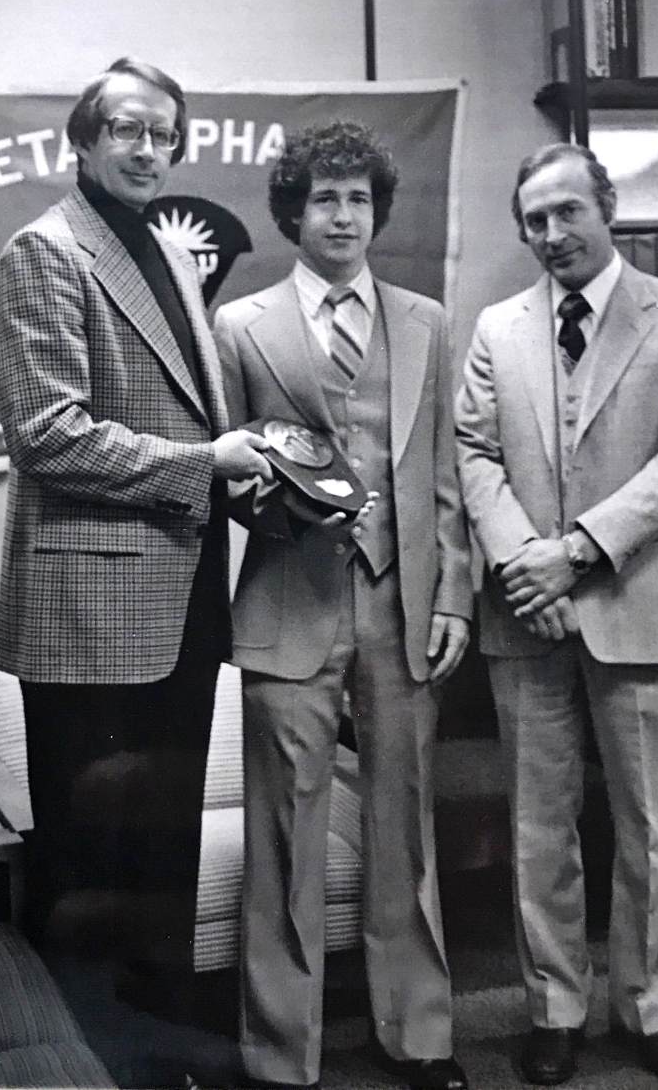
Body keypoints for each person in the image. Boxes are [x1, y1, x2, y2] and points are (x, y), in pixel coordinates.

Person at [0, 57, 272, 1007]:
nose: (150, 149)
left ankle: (167, 1056)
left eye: (163, 133)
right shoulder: (47, 249)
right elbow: (47, 435)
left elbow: (196, 412)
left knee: (161, 852)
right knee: (89, 866)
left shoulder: (164, 248)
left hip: (178, 606)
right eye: (127, 130)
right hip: (89, 621)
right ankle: (88, 1065)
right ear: (83, 139)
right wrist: (207, 465)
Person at [455, 143, 658, 1086]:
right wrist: (524, 564)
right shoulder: (497, 328)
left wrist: (572, 553)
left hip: (639, 602)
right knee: (540, 824)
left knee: (652, 824)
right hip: (529, 614)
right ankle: (554, 1010)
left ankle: (651, 1010)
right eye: (534, 219)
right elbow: (473, 452)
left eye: (568, 211)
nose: (552, 233)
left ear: (606, 208)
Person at [214, 121, 472, 1090]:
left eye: (359, 197)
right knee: (285, 839)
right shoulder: (243, 327)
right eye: (324, 197)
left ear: (378, 211)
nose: (343, 214)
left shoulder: (427, 322)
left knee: (405, 830)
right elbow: (227, 479)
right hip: (290, 606)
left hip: (403, 610)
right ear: (293, 212)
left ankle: (420, 1037)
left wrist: (452, 596)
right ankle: (283, 1058)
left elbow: (443, 471)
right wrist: (270, 499)